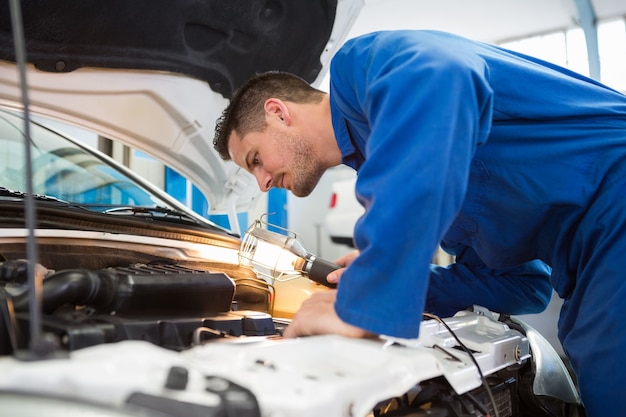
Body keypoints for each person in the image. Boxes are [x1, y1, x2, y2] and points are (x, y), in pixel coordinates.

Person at [213, 29, 626, 416]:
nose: (263, 183)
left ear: (278, 113)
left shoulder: (361, 69)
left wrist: (370, 295)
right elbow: (526, 286)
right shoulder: (402, 163)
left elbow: (443, 73)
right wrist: (407, 280)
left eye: (255, 160)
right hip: (591, 259)